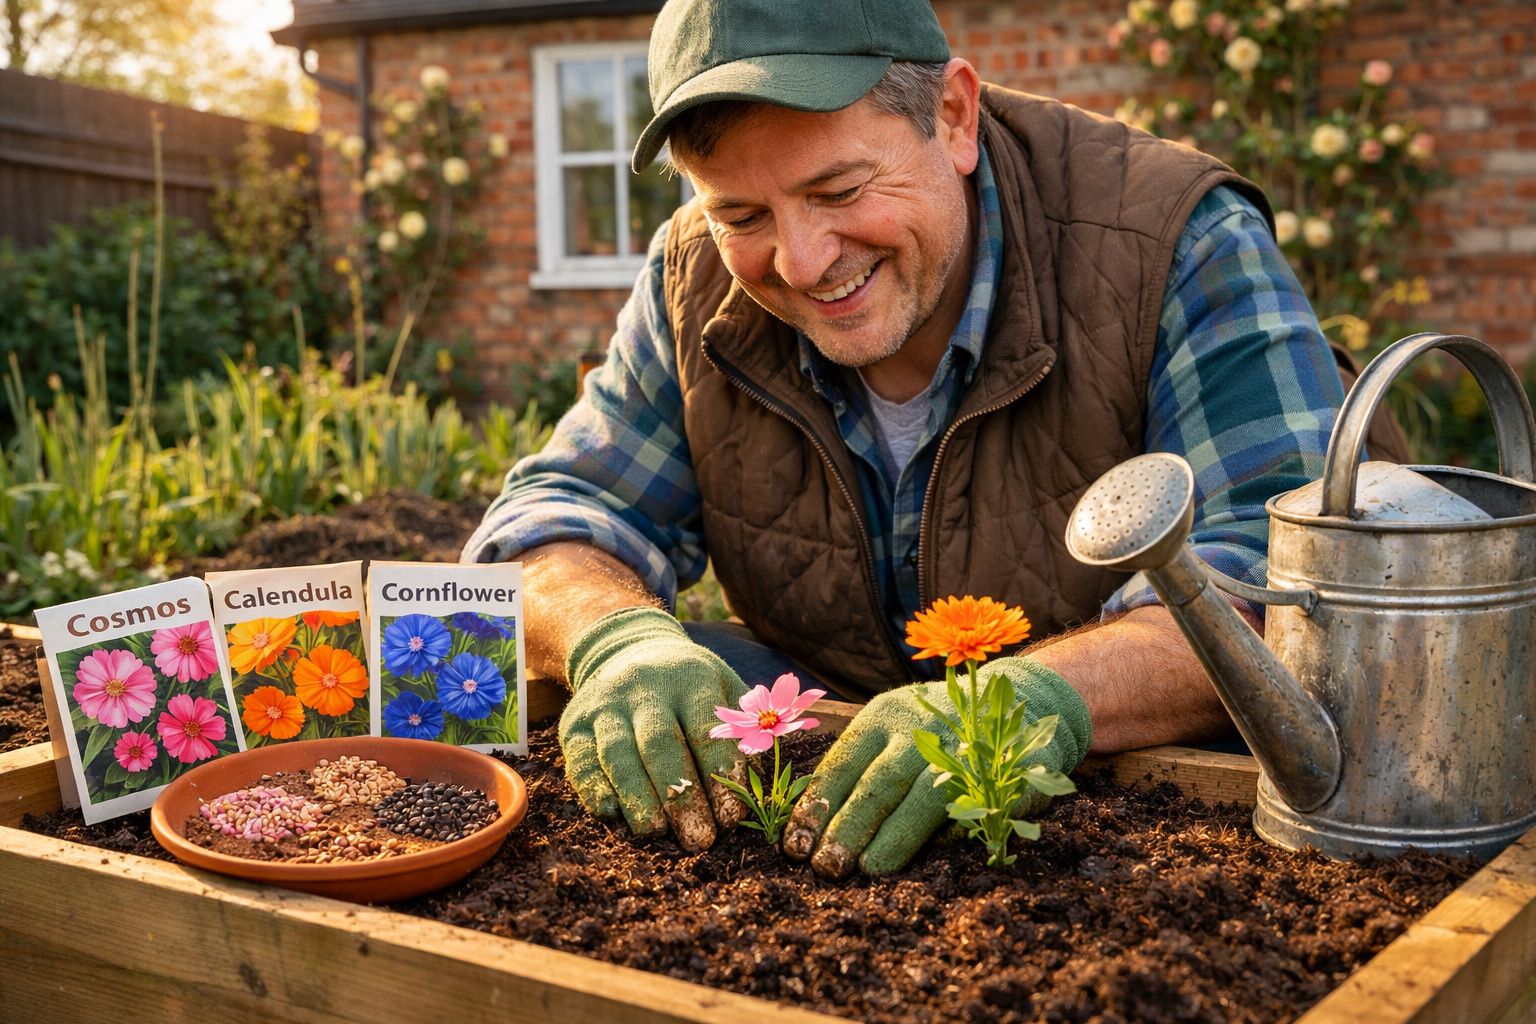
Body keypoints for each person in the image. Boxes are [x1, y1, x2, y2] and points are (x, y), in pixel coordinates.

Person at [465, 0, 1356, 876]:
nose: (803, 262)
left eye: (840, 191)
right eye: (743, 216)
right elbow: (557, 517)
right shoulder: (695, 272)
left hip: (1125, 816)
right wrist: (613, 639)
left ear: (954, 116)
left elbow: (1287, 588)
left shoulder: (1171, 238)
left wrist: (1018, 704)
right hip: (835, 746)